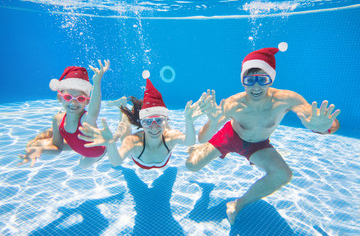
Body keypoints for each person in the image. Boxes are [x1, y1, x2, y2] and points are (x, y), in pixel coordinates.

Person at [185, 43, 341, 225]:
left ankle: (237, 204)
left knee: (283, 175)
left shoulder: (286, 99)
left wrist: (324, 126)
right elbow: (203, 138)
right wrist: (212, 122)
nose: (256, 86)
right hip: (230, 136)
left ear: (271, 79)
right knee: (191, 166)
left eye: (262, 79)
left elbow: (327, 122)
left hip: (258, 144)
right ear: (243, 81)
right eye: (249, 80)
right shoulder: (233, 103)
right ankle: (200, 163)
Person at [78, 74, 209, 169]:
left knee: (165, 128)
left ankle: (151, 116)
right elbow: (116, 162)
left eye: (158, 120)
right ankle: (122, 106)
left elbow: (189, 141)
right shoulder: (133, 142)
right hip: (138, 155)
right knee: (126, 131)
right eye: (147, 122)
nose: (153, 127)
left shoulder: (170, 136)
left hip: (164, 138)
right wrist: (111, 144)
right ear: (142, 123)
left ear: (165, 119)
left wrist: (189, 120)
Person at [18, 60, 110, 168]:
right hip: (75, 143)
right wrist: (41, 150)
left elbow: (94, 110)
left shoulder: (86, 120)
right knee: (33, 145)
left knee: (82, 166)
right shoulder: (57, 119)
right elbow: (57, 147)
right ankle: (53, 135)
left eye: (80, 98)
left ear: (87, 101)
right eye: (68, 97)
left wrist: (97, 82)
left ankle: (111, 139)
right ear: (60, 98)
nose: (73, 102)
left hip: (96, 152)